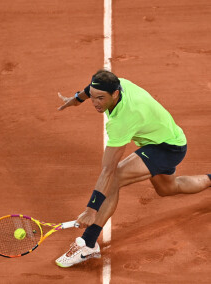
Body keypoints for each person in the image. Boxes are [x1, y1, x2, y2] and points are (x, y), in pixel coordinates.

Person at [55, 69, 210, 268]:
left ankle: (88, 243)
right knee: (168, 188)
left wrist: (91, 209)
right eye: (93, 97)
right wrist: (78, 98)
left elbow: (108, 170)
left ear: (115, 94)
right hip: (165, 138)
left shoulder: (123, 120)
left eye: (100, 98)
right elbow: (93, 89)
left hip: (168, 148)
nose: (95, 102)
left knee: (115, 177)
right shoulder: (119, 84)